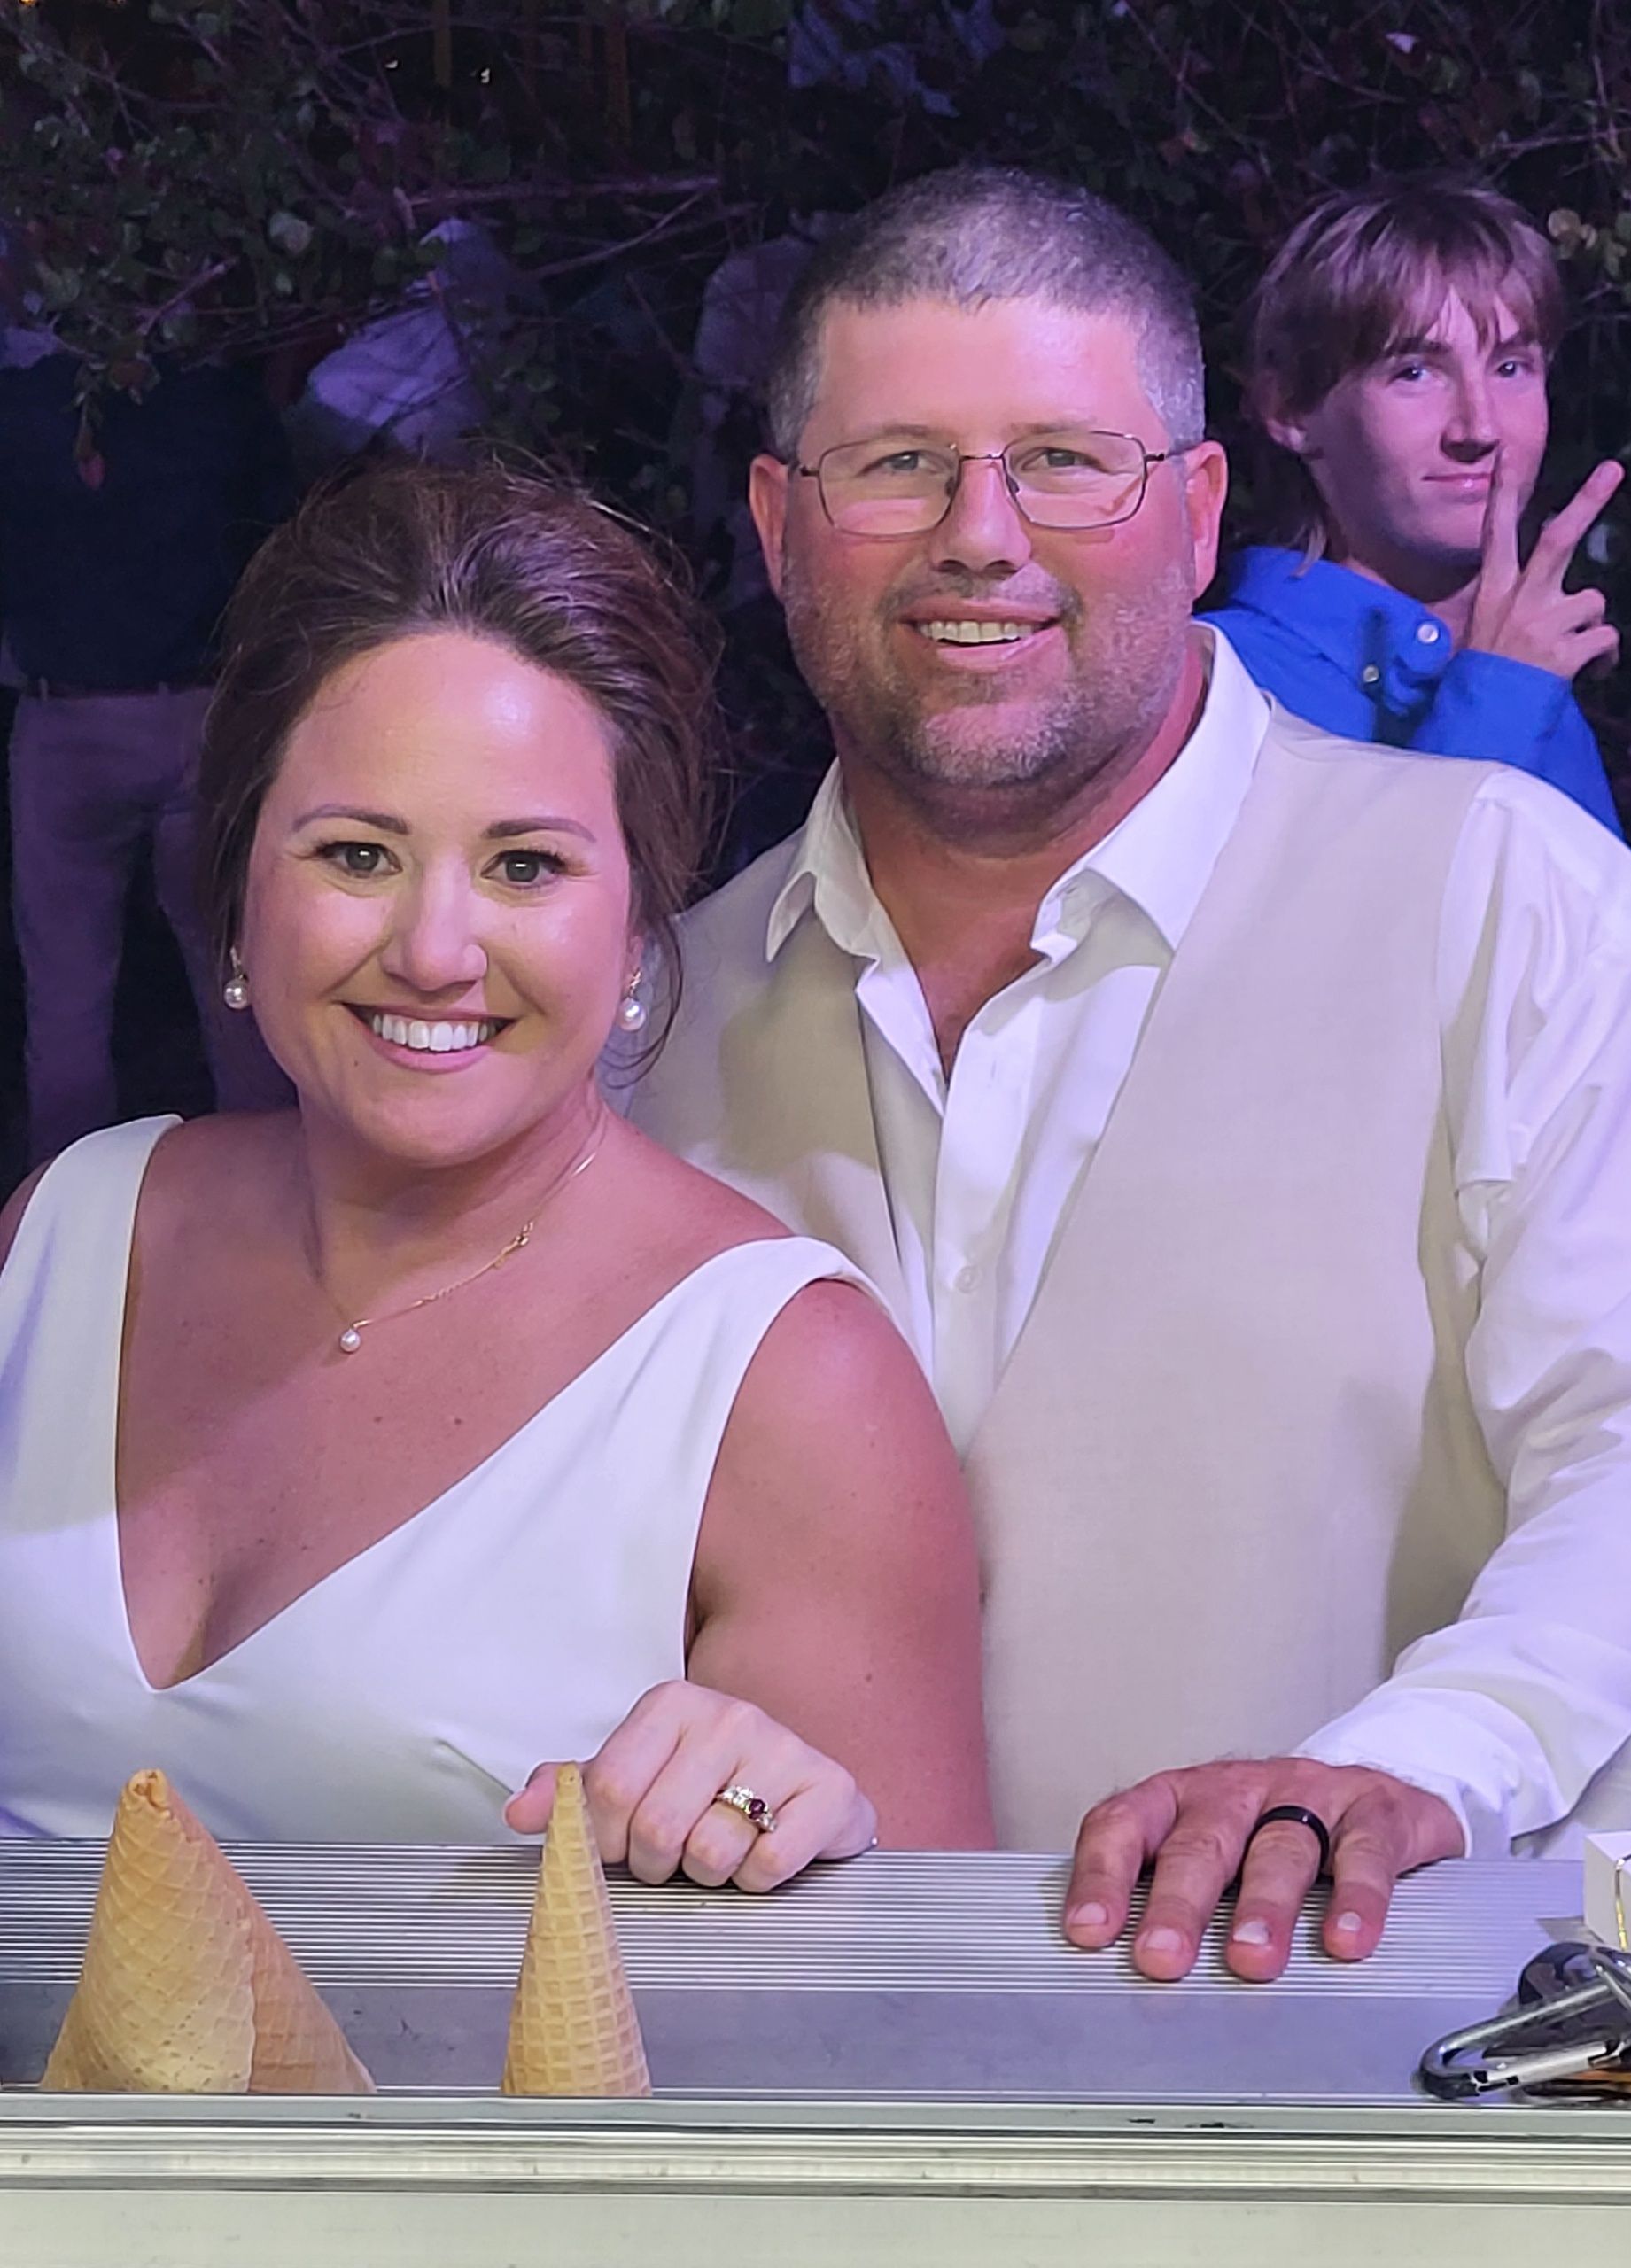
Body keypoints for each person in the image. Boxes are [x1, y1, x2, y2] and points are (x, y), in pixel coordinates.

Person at [626, 165, 1631, 1977]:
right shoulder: (646, 1029)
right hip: (776, 2071)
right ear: (779, 522)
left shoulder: (1514, 907)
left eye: (1067, 461)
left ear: (1199, 512)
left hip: (1373, 2053)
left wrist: (1413, 1766)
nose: (981, 535)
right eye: (898, 465)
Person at [0, 462, 991, 1878]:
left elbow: (925, 1992)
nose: (433, 950)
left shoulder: (787, 1386)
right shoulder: (61, 1234)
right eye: (357, 854)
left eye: (525, 867)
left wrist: (813, 1848)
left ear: (637, 928)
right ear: (238, 896)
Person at [1203, 175, 1621, 832]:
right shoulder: (1216, 680)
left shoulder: (1537, 672)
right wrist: (1498, 697)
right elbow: (1352, 900)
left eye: (1510, 367)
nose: (1479, 427)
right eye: (1415, 373)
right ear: (1289, 409)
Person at [0, 338, 299, 1161]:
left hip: (68, 718)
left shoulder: (17, 409)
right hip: (203, 713)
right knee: (232, 972)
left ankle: (65, 1203)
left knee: (67, 992)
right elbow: (281, 550)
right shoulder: (216, 399)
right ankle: (263, 1182)